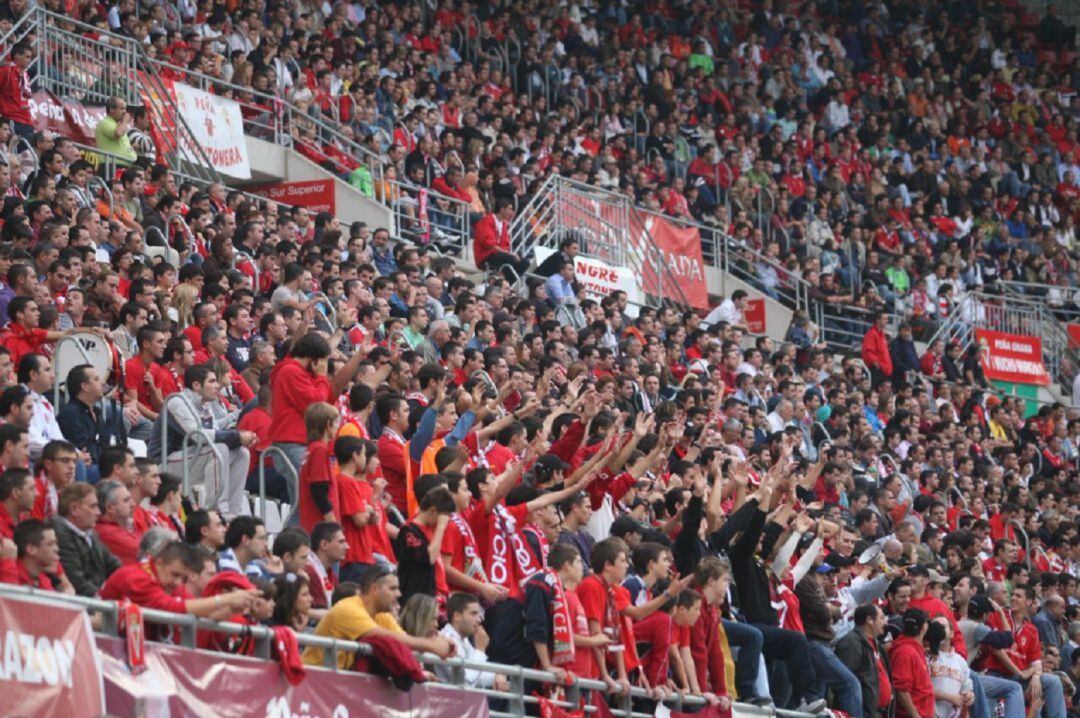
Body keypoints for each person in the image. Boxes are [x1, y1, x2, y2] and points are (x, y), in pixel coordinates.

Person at [301, 563, 454, 669]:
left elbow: (403, 640)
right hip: (310, 685)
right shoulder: (348, 608)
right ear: (375, 589)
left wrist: (439, 642)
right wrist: (432, 645)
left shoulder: (381, 614)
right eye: (393, 588)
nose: (399, 594)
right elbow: (382, 637)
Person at [150, 365, 255, 520]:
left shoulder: (205, 404)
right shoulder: (177, 401)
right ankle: (217, 510)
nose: (217, 385)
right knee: (218, 448)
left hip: (191, 459)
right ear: (196, 385)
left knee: (242, 453)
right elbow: (198, 437)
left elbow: (216, 432)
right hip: (164, 463)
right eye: (212, 381)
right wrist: (237, 437)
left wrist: (238, 437)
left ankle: (234, 511)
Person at [52, 482, 121, 596]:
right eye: (93, 506)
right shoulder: (59, 536)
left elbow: (114, 566)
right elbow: (77, 582)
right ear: (74, 509)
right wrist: (104, 602)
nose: (98, 512)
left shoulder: (90, 533)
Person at [437, 591, 510, 689]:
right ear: (457, 616)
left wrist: (497, 674)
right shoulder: (446, 639)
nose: (479, 620)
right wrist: (480, 650)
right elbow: (465, 683)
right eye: (473, 614)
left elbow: (478, 676)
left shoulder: (464, 640)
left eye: (479, 614)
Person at [835, 603, 892, 718]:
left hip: (880, 712)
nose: (885, 622)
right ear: (870, 620)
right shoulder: (852, 643)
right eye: (881, 618)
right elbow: (842, 683)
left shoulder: (876, 644)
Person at [298, 402, 340, 533]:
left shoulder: (312, 449)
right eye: (336, 422)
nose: (338, 427)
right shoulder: (319, 450)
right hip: (321, 529)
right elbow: (319, 491)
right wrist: (333, 525)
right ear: (328, 425)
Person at [0, 518, 73, 591]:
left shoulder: (43, 581)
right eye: (50, 544)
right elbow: (10, 598)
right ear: (31, 549)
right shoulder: (6, 572)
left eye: (56, 544)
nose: (56, 549)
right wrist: (8, 563)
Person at [890, 608, 935, 718]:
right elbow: (901, 689)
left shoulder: (913, 648)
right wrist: (915, 716)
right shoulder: (906, 652)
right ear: (923, 627)